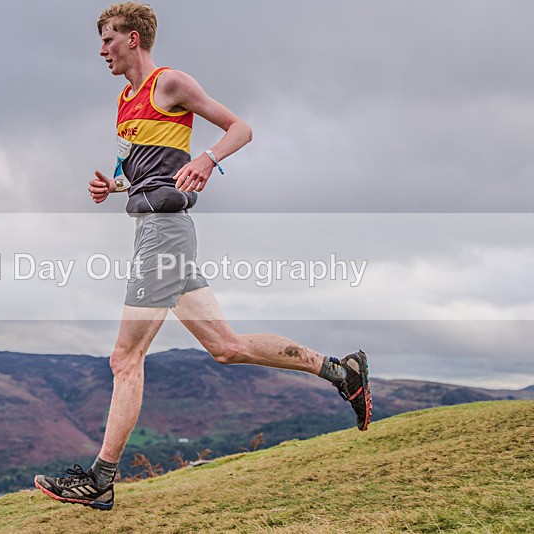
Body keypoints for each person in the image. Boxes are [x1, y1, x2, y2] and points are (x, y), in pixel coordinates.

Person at [35, 2, 371, 511]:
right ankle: (342, 373)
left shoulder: (170, 83)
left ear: (133, 39)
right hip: (158, 230)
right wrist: (113, 184)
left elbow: (240, 127)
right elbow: (143, 170)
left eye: (108, 39)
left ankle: (101, 479)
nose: (101, 50)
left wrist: (208, 159)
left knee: (125, 358)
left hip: (164, 234)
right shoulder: (125, 101)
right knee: (227, 346)